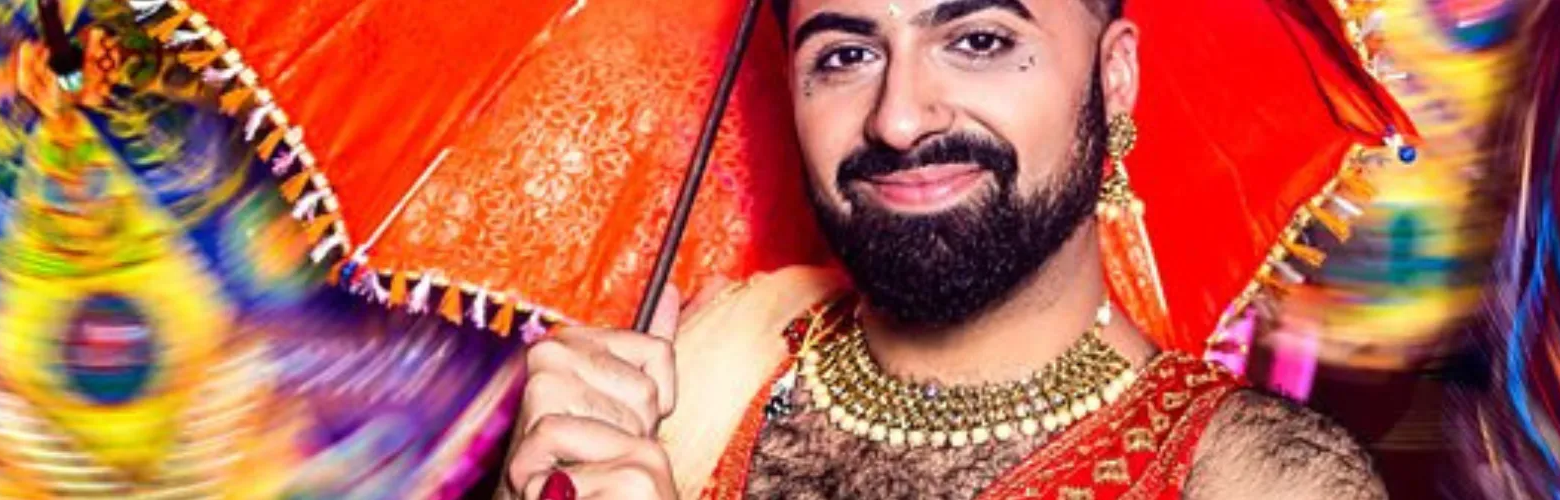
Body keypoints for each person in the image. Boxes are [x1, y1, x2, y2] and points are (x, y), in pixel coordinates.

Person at [500, 0, 1393, 498]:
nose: (897, 119)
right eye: (846, 55)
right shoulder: (688, 379)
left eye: (977, 41)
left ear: (1113, 76)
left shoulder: (1257, 482)